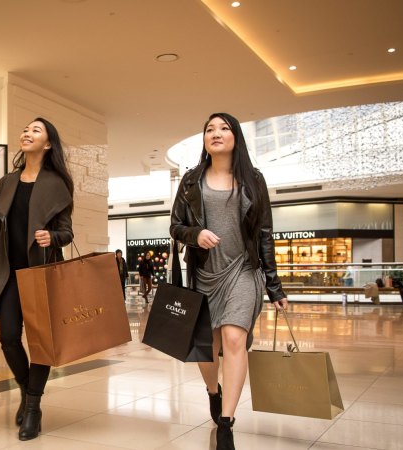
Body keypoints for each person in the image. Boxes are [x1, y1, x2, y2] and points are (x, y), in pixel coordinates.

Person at [169, 113, 288, 450]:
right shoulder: (192, 180)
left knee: (235, 338)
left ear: (236, 137)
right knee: (208, 348)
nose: (216, 133)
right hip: (204, 273)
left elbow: (265, 233)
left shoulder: (253, 179)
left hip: (243, 271)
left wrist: (274, 286)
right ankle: (213, 391)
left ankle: (226, 422)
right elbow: (175, 226)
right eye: (209, 129)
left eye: (223, 128)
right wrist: (196, 234)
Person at [0, 117, 73, 441]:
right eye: (26, 129)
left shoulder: (57, 184)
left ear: (48, 144)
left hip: (41, 273)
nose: (27, 133)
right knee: (9, 339)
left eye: (36, 130)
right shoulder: (7, 182)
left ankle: (32, 408)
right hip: (10, 273)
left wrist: (52, 237)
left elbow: (67, 232)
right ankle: (26, 387)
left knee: (41, 343)